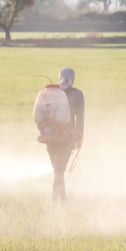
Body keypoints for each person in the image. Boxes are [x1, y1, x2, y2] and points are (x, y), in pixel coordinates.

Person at [45, 67, 85, 203]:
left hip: (50, 138)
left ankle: (59, 201)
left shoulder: (51, 92)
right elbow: (80, 118)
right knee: (59, 171)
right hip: (68, 138)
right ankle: (56, 201)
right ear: (73, 79)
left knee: (58, 170)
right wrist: (79, 138)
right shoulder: (78, 95)